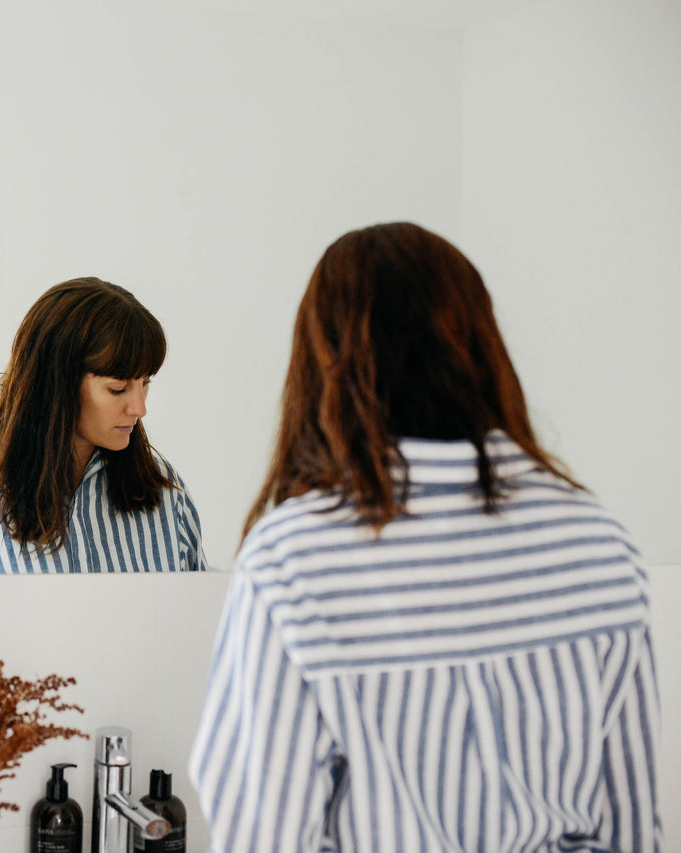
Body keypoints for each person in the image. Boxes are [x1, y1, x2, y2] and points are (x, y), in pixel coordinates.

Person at [189, 223, 659, 851]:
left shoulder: (294, 559)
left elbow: (262, 836)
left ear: (324, 361)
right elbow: (634, 829)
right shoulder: (600, 543)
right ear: (482, 346)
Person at [0, 277, 207, 574]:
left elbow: (199, 615)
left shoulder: (164, 490)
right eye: (117, 389)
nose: (140, 408)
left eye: (145, 383)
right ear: (57, 385)